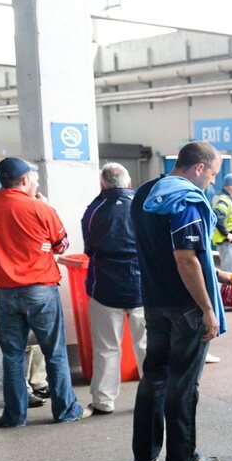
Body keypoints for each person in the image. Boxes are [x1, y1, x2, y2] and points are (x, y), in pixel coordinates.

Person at [130, 141, 232, 461]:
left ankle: (144, 454)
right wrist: (207, 308)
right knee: (184, 382)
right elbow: (185, 257)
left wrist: (214, 272)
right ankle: (182, 457)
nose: (211, 183)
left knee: (154, 376)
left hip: (154, 299)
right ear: (199, 168)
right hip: (186, 306)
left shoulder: (145, 194)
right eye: (212, 175)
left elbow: (168, 250)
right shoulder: (186, 200)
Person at [0, 156, 90, 427]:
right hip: (40, 291)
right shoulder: (40, 208)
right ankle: (65, 411)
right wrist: (45, 210)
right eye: (34, 178)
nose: (36, 183)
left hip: (6, 294)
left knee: (12, 355)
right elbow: (61, 246)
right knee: (55, 353)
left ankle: (14, 416)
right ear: (24, 180)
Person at [81, 162, 146, 415]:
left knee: (107, 347)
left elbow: (89, 247)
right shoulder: (143, 206)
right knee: (147, 346)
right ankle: (154, 397)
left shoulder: (94, 210)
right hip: (142, 286)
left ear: (103, 184)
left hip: (104, 286)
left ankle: (103, 400)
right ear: (128, 183)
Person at [212, 173, 232, 274]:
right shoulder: (224, 200)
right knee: (230, 273)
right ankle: (228, 290)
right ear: (230, 186)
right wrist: (226, 234)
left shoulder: (229, 199)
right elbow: (217, 216)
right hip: (228, 243)